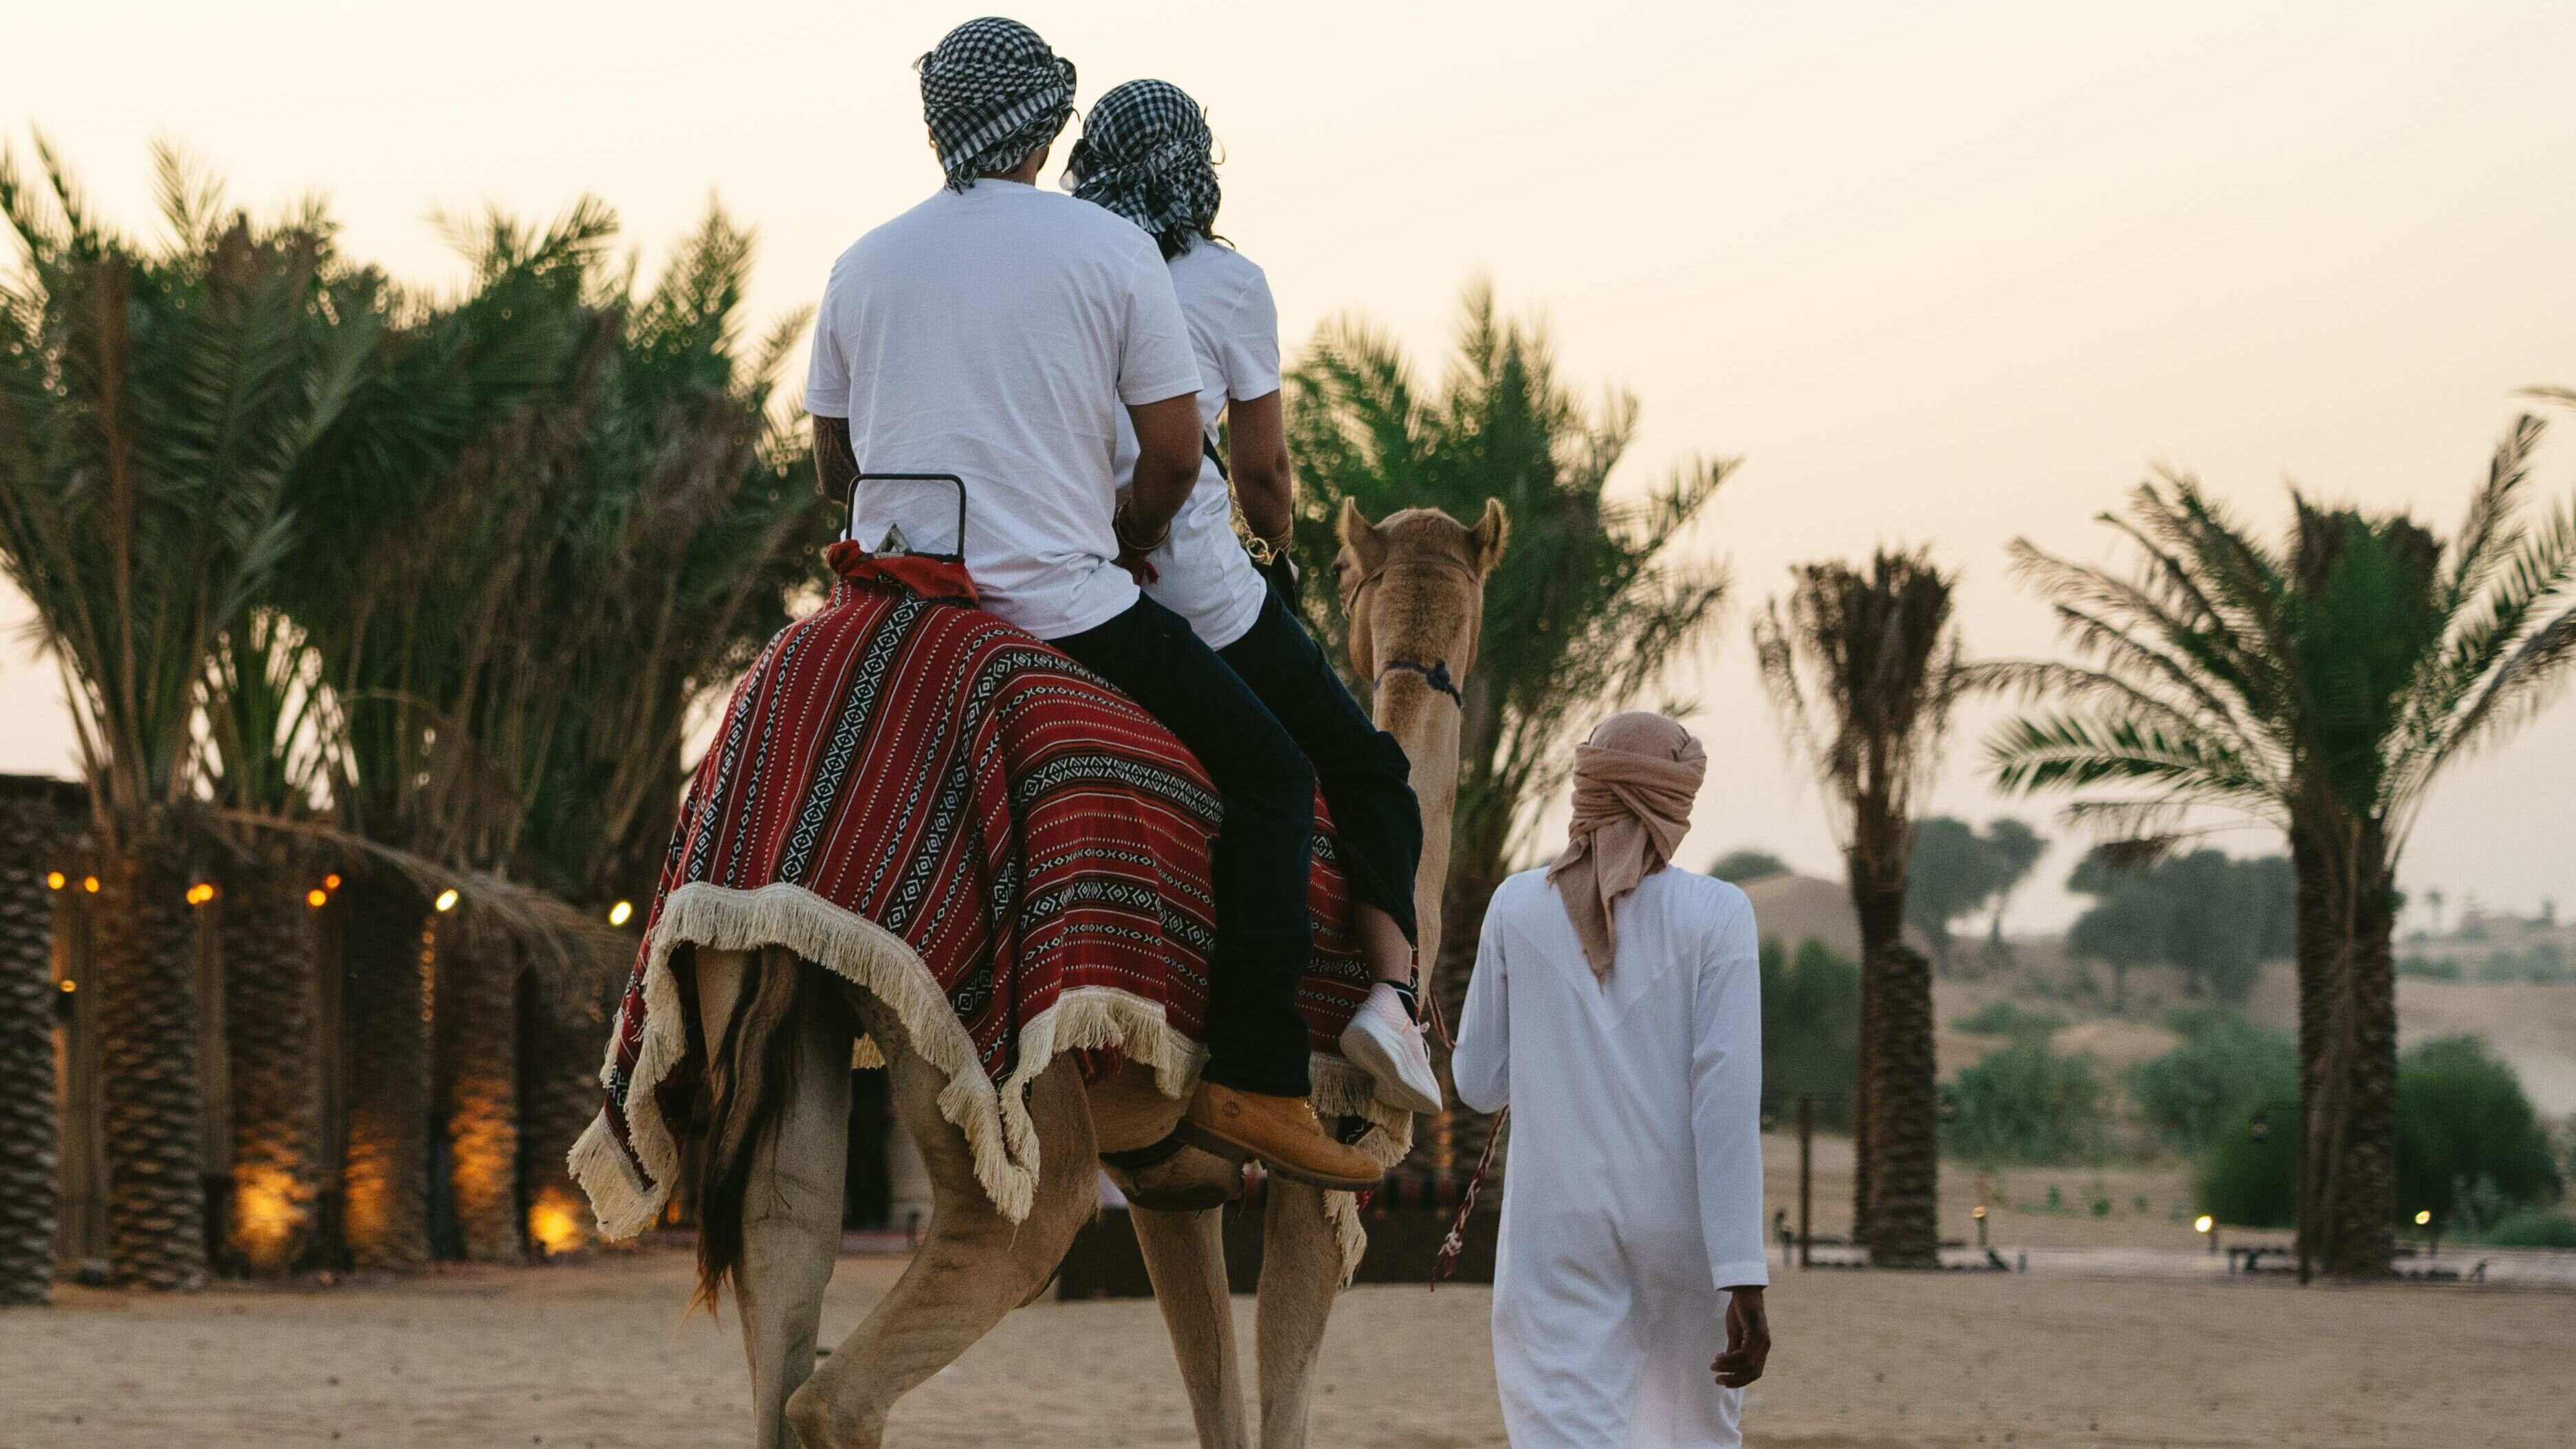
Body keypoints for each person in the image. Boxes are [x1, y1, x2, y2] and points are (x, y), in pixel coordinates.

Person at [804, 16, 1379, 1189]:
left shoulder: (862, 262)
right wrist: (1114, 541)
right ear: (1047, 123)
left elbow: (832, 461)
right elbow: (1174, 458)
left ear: (938, 126)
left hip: (893, 597)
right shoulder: (1105, 252)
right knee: (1272, 771)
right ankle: (1258, 1077)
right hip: (1058, 605)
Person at [1063, 78, 1441, 1115]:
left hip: (1063, 571)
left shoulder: (1064, 260)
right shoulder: (1222, 284)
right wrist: (1274, 546)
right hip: (1194, 592)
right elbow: (1263, 476)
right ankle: (1378, 1001)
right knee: (1356, 768)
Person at [1453, 711, 1774, 1447]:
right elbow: (1725, 1103)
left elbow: (1477, 1082)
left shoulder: (1514, 905)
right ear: (1674, 806)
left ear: (1587, 793)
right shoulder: (1720, 914)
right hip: (1683, 1236)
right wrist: (1743, 1275)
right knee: (1685, 1431)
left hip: (1553, 1237)